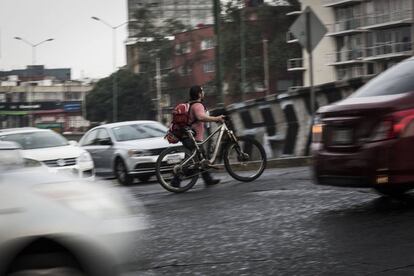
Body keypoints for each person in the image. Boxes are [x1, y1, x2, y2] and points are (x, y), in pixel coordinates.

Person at [171, 85, 225, 188]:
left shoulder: (190, 104)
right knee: (192, 161)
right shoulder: (197, 105)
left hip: (189, 137)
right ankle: (176, 180)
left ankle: (207, 179)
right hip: (193, 138)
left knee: (201, 159)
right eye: (202, 91)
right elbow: (201, 117)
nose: (203, 93)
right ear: (199, 94)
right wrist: (217, 118)